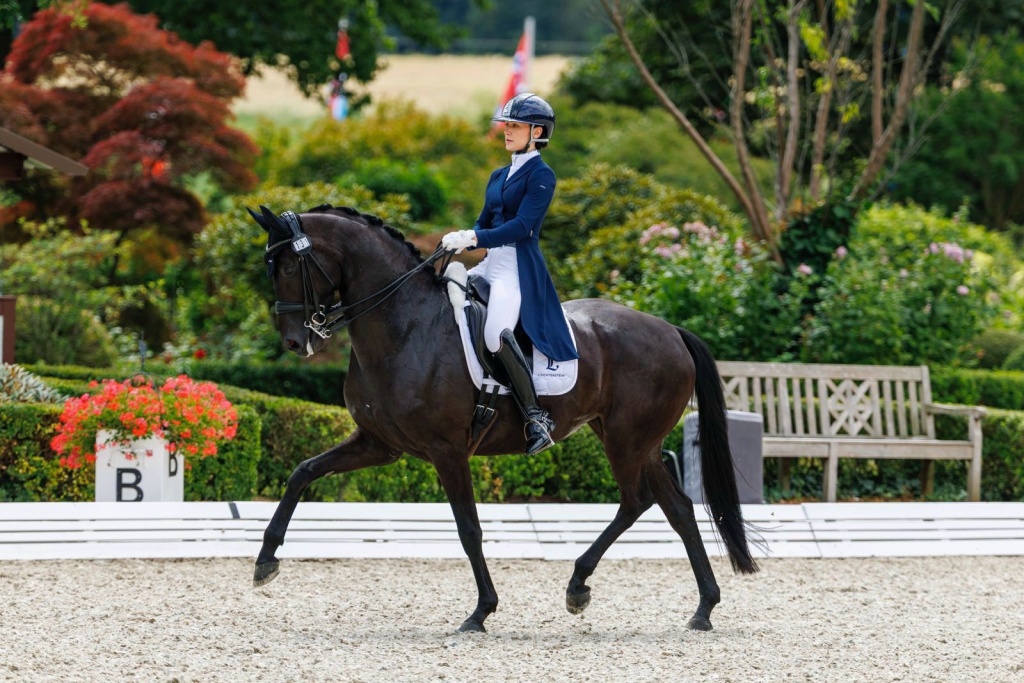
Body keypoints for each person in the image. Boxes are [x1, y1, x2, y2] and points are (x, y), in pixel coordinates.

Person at [442, 93, 578, 455]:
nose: (507, 131)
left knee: (494, 335)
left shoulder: (542, 175)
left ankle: (536, 417)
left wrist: (475, 237)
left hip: (517, 269)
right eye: (506, 125)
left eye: (515, 126)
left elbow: (522, 226)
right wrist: (464, 239)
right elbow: (485, 221)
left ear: (537, 132)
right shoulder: (499, 174)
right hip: (489, 262)